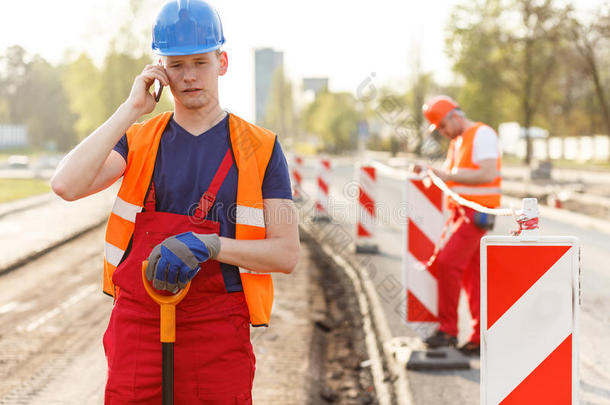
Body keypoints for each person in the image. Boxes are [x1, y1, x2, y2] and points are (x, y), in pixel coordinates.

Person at [50, 0, 299, 402]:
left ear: (222, 62)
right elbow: (66, 185)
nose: (189, 77)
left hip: (217, 332)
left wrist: (212, 246)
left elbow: (286, 254)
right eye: (177, 65)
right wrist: (130, 109)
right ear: (160, 70)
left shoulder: (262, 148)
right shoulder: (138, 140)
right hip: (139, 328)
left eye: (200, 63)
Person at [420, 95, 501, 356]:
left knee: (447, 263)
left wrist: (447, 175)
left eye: (443, 126)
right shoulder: (458, 142)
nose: (443, 133)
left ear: (455, 116)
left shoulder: (483, 134)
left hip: (475, 214)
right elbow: (451, 176)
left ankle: (448, 330)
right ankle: (479, 337)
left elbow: (487, 173)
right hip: (462, 213)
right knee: (472, 276)